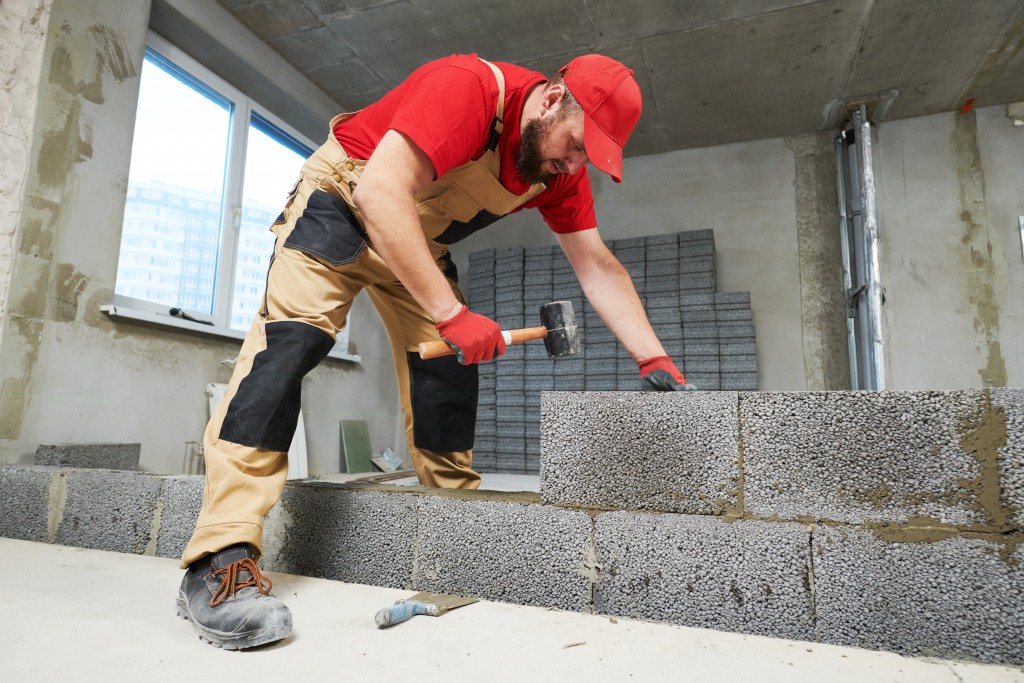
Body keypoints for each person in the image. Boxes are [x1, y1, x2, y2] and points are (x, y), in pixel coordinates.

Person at [175, 53, 694, 649]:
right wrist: (453, 314)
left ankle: (456, 524)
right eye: (575, 146)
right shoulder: (469, 88)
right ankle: (219, 559)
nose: (574, 165)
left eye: (586, 158)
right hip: (344, 201)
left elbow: (596, 265)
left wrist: (653, 358)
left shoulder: (556, 173)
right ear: (551, 100)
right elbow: (379, 191)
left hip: (411, 238)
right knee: (288, 350)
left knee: (445, 374)